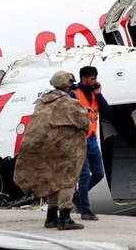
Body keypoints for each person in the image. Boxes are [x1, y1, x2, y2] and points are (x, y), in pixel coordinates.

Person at [14, 70, 89, 230]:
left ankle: (51, 217)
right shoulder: (70, 104)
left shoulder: (42, 103)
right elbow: (85, 123)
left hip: (45, 150)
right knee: (67, 182)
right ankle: (65, 218)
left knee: (52, 180)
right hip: (64, 149)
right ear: (68, 86)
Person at [70, 66, 110, 221]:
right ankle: (85, 210)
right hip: (79, 140)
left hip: (92, 139)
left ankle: (78, 195)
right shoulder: (73, 94)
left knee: (99, 173)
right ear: (84, 78)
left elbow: (106, 112)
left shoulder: (94, 94)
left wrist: (99, 94)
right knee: (85, 175)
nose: (95, 81)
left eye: (95, 77)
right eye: (92, 78)